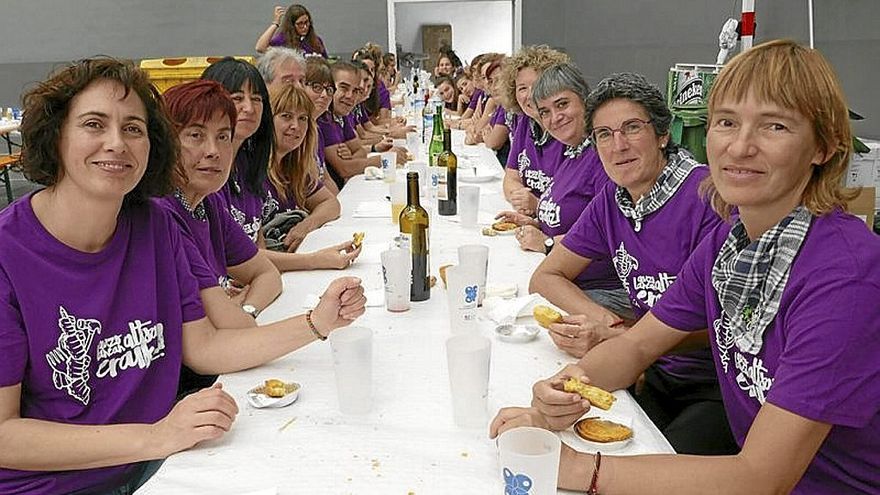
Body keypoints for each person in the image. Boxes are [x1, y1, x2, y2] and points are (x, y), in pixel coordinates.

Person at [491, 40, 879, 494]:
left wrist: (580, 469)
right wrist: (561, 389)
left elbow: (760, 478)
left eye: (774, 126)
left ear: (823, 147)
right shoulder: (731, 242)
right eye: (726, 122)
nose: (740, 146)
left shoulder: (845, 278)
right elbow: (636, 347)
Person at [0, 57, 365, 495]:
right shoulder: (9, 255)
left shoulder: (155, 226)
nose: (116, 143)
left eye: (133, 128)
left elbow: (206, 346)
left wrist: (318, 322)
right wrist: (157, 435)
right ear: (55, 137)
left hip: (157, 466)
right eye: (94, 124)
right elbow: (4, 435)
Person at [528, 72, 735, 454]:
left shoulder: (709, 199)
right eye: (604, 134)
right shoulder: (614, 198)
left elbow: (725, 325)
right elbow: (546, 275)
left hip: (716, 387)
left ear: (662, 134)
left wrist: (627, 338)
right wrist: (603, 322)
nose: (617, 145)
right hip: (652, 373)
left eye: (632, 128)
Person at [496, 63, 630, 321]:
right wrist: (536, 221)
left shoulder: (603, 159)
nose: (554, 117)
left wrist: (546, 244)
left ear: (585, 101)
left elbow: (610, 239)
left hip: (601, 290)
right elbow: (576, 220)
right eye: (544, 111)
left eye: (562, 104)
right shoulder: (573, 153)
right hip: (565, 278)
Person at [158, 80, 282, 330]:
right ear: (166, 143)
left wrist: (246, 308)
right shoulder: (162, 212)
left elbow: (269, 276)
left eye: (223, 136)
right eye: (196, 135)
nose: (213, 151)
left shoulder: (208, 203)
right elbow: (226, 325)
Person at [263, 84, 361, 271]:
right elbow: (248, 257)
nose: (296, 126)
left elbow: (331, 204)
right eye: (286, 116)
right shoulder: (251, 173)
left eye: (302, 119)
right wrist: (315, 260)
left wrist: (306, 226)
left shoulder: (292, 167)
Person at [201, 58, 275, 243]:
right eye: (237, 98)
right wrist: (315, 259)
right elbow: (231, 258)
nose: (249, 108)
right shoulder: (203, 171)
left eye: (257, 99)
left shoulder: (247, 162)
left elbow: (258, 244)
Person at [498, 45, 569, 216]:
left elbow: (576, 208)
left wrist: (537, 205)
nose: (530, 95)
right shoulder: (524, 122)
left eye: (537, 85)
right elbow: (511, 177)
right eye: (522, 88)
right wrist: (520, 197)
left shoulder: (568, 132)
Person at [256, 3, 328, 58]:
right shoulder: (283, 40)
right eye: (300, 24)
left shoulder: (316, 41)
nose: (305, 27)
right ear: (292, 25)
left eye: (306, 22)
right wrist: (275, 23)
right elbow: (260, 48)